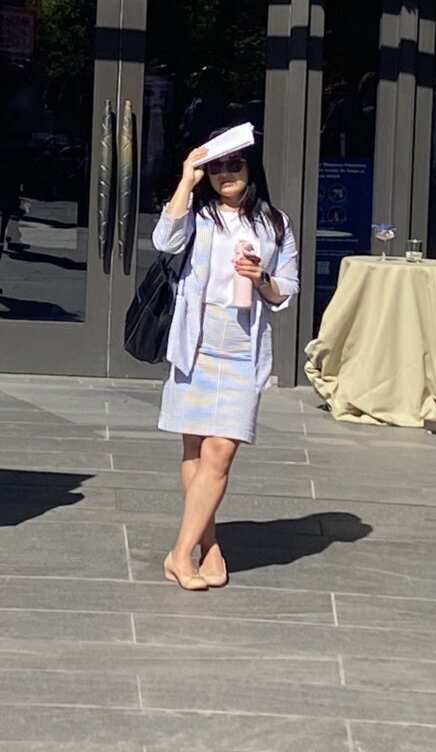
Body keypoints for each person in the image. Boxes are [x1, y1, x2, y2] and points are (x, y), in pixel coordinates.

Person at [154, 135, 297, 591]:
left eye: (235, 164)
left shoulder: (275, 223)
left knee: (222, 449)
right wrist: (186, 177)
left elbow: (287, 290)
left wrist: (263, 279)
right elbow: (165, 239)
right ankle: (207, 545)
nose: (226, 174)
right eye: (217, 168)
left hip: (241, 343)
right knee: (195, 449)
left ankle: (179, 553)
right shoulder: (198, 215)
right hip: (196, 338)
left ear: (251, 167)